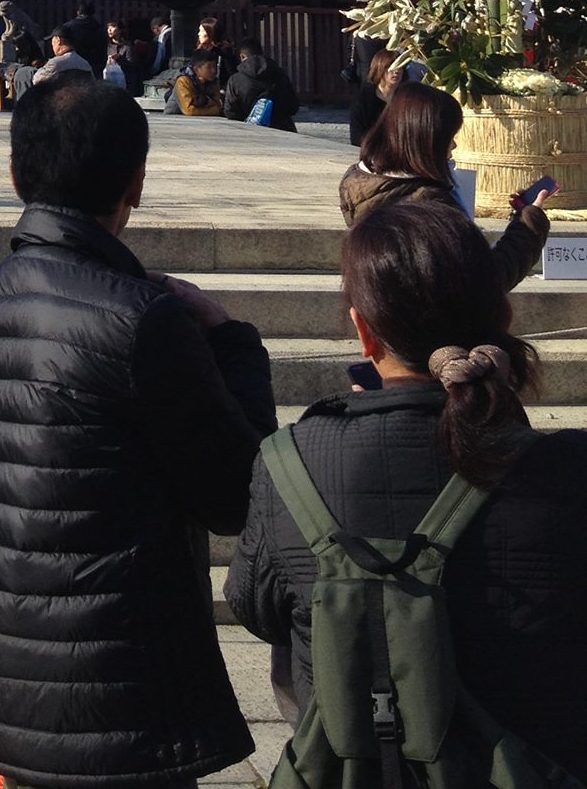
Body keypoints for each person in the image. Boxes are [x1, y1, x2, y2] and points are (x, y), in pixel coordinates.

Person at [0, 74, 275, 789]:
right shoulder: (141, 321)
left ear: (15, 177)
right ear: (136, 184)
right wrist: (232, 342)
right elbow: (236, 494)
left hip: (16, 687)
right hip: (129, 699)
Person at [226, 200, 587, 782]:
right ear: (504, 313)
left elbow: (254, 606)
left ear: (364, 331)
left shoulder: (290, 461)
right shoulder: (567, 467)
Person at [341, 80, 548, 291]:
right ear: (427, 141)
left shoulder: (359, 182)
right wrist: (528, 224)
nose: (454, 146)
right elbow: (485, 280)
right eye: (449, 137)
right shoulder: (430, 206)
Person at [222, 35, 300, 132]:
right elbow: (293, 107)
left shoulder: (235, 80)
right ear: (261, 53)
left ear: (242, 56)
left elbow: (231, 112)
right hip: (284, 131)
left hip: (250, 133)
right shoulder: (280, 74)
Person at [348, 44, 407, 147]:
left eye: (400, 67)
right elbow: (356, 135)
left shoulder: (406, 97)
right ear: (379, 68)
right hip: (372, 149)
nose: (396, 71)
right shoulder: (363, 98)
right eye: (390, 67)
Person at [66, 0, 106, 73]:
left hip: (73, 67)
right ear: (93, 12)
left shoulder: (69, 26)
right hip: (94, 67)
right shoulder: (98, 28)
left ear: (78, 12)